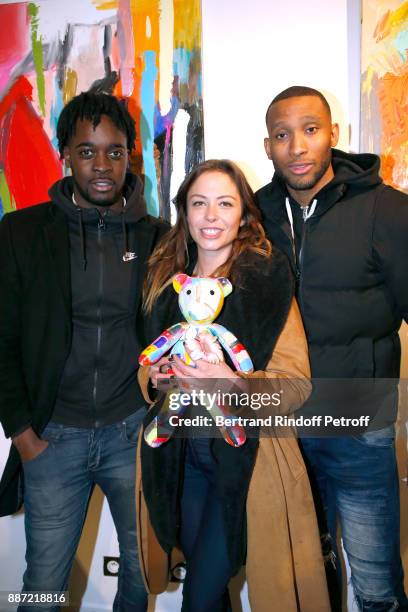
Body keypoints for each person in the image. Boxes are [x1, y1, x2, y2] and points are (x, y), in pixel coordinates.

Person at [136, 159, 331, 612]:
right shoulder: (166, 279)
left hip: (246, 466)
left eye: (225, 203)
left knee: (198, 598)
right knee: (211, 597)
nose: (210, 216)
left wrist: (233, 382)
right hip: (179, 461)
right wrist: (157, 376)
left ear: (243, 214)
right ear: (183, 211)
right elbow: (145, 362)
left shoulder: (267, 279)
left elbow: (296, 384)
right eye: (198, 203)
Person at [0, 92, 168, 611]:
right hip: (54, 437)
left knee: (142, 580)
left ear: (130, 156)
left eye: (114, 152)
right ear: (65, 154)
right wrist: (24, 434)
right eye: (86, 151)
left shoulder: (158, 238)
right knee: (43, 589)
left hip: (132, 435)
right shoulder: (21, 234)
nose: (101, 165)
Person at [256, 85, 408, 612]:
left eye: (310, 129)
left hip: (359, 425)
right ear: (268, 146)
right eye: (282, 134)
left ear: (333, 135)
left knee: (376, 584)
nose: (297, 145)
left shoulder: (386, 211)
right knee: (306, 579)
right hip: (282, 428)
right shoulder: (254, 218)